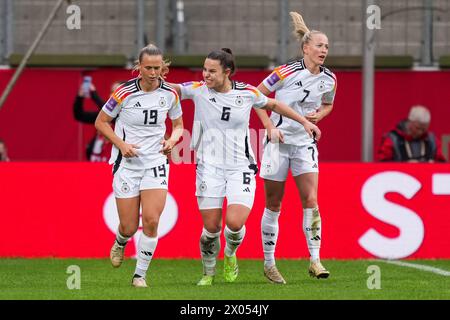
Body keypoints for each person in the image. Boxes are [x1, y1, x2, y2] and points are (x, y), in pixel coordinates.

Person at [168, 48, 321, 286]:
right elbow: (174, 88)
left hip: (241, 167)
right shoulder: (198, 90)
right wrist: (151, 78)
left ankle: (230, 255)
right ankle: (208, 273)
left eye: (212, 71)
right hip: (208, 167)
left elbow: (274, 105)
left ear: (227, 72)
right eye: (204, 69)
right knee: (211, 228)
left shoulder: (247, 92)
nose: (205, 75)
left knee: (235, 224)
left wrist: (303, 122)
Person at [254, 11, 337, 284]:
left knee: (311, 200)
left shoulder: (329, 79)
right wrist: (268, 126)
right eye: (319, 45)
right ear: (306, 48)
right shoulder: (284, 72)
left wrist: (318, 117)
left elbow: (328, 104)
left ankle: (314, 259)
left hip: (304, 144)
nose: (324, 50)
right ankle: (269, 263)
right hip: (278, 144)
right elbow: (257, 96)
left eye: (326, 46)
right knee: (274, 203)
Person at [95, 44, 184, 288]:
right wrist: (122, 145)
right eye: (149, 68)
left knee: (153, 220)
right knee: (129, 225)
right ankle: (121, 241)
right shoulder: (123, 94)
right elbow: (101, 122)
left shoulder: (170, 94)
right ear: (139, 67)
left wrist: (172, 140)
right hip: (128, 163)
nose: (154, 73)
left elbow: (178, 125)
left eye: (158, 68)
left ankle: (139, 275)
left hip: (156, 161)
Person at [73, 78, 123, 162]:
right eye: (112, 92)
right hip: (95, 165)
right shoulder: (103, 117)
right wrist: (80, 97)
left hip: (112, 167)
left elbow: (109, 112)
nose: (112, 96)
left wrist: (93, 94)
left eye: (117, 93)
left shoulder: (125, 117)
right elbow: (79, 115)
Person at [376, 105, 446, 162]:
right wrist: (405, 166)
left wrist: (433, 164)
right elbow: (383, 164)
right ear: (409, 121)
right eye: (417, 128)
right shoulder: (393, 139)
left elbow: (441, 163)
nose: (420, 132)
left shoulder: (432, 140)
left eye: (424, 129)